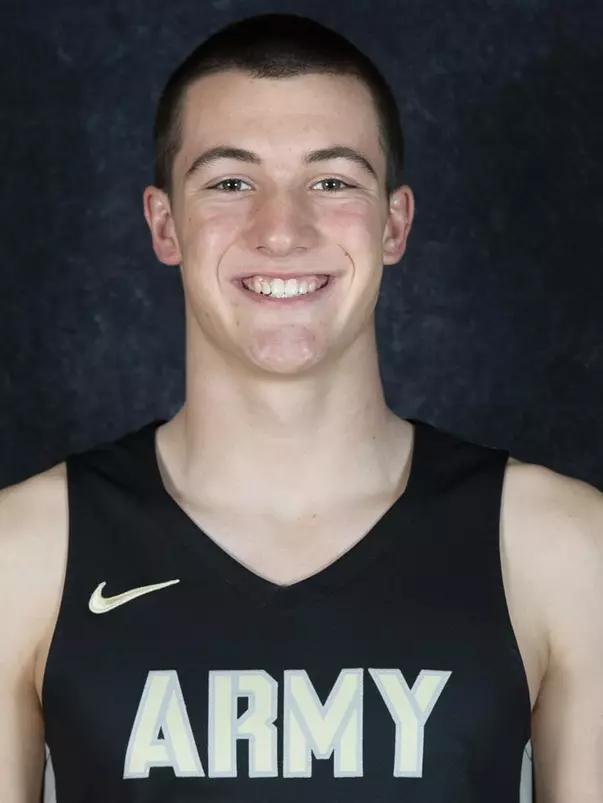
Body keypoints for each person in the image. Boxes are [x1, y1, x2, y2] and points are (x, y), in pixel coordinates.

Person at [1, 12, 601, 803]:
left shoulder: (560, 548)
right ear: (163, 224)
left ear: (393, 223)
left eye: (331, 181)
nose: (281, 230)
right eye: (229, 182)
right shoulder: (26, 553)